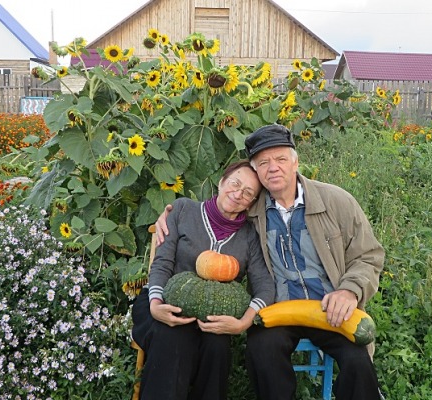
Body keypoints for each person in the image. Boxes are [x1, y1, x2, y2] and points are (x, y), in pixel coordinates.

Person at [155, 124, 385, 400]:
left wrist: (350, 290)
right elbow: (218, 208)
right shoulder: (252, 208)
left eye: (280, 159)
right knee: (262, 350)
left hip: (332, 309)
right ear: (257, 171)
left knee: (357, 362)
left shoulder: (336, 201)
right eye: (263, 163)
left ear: (296, 161)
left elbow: (369, 255)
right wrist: (169, 214)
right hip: (280, 311)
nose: (273, 168)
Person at [132, 160, 276, 400]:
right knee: (173, 337)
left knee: (217, 347)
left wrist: (242, 324)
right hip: (164, 301)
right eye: (235, 183)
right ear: (221, 182)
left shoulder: (250, 235)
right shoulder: (183, 210)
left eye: (248, 193)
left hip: (212, 314)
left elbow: (264, 286)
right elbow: (162, 263)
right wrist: (155, 306)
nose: (238, 194)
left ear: (252, 203)